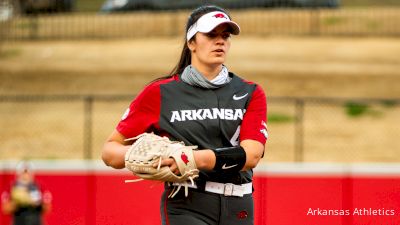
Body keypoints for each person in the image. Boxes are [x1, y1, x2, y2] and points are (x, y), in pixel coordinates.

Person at [102, 4, 268, 225]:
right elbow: (109, 152)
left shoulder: (250, 92)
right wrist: (151, 159)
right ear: (191, 42)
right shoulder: (160, 93)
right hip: (187, 205)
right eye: (211, 34)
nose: (220, 41)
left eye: (225, 36)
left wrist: (193, 159)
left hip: (240, 205)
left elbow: (252, 155)